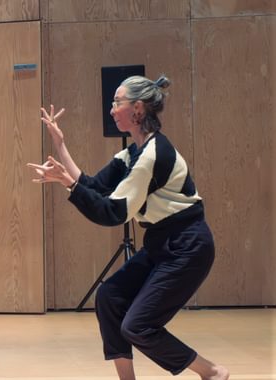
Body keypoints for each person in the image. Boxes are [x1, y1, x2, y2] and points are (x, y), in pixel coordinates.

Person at [27, 75, 229, 380]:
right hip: (163, 244)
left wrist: (67, 183)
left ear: (137, 108)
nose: (111, 110)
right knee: (109, 296)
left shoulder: (151, 155)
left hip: (188, 247)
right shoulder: (133, 152)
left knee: (138, 326)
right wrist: (61, 146)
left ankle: (211, 371)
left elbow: (112, 213)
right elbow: (94, 186)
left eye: (116, 103)